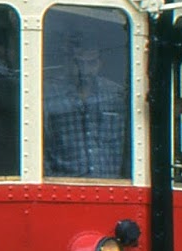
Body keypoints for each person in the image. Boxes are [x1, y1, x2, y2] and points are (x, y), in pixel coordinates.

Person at [44, 40, 129, 178]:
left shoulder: (116, 94)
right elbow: (42, 143)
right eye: (78, 63)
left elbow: (127, 143)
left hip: (111, 185)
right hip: (63, 185)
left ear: (100, 64)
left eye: (91, 63)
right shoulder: (50, 94)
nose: (84, 70)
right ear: (68, 64)